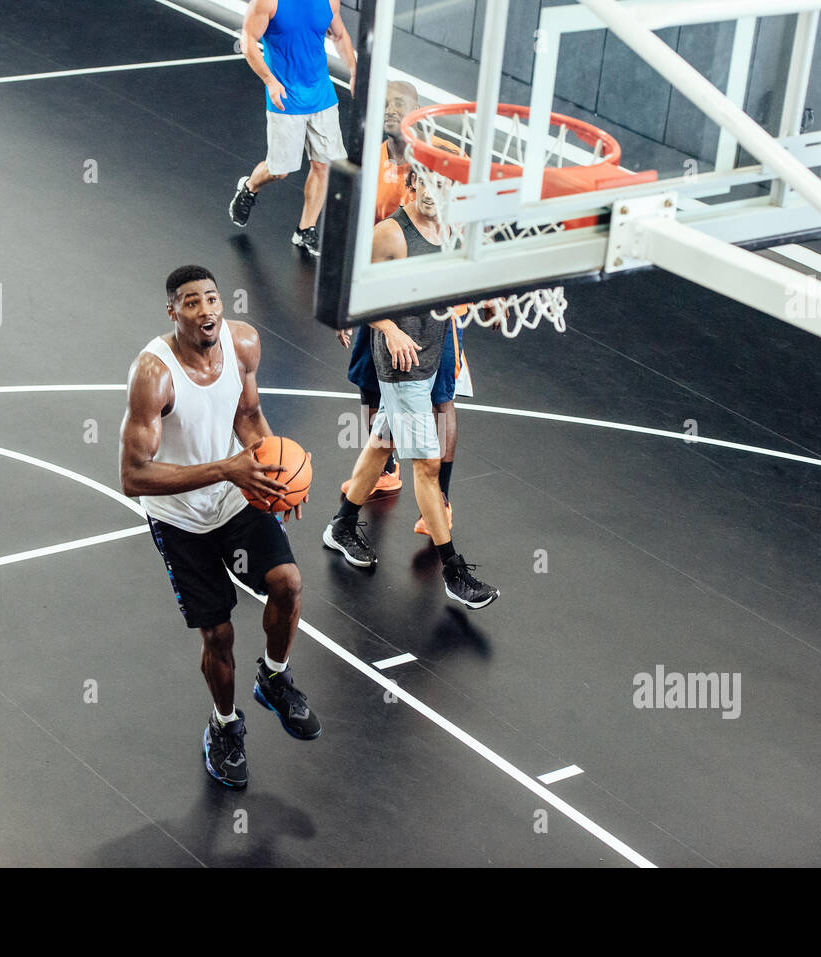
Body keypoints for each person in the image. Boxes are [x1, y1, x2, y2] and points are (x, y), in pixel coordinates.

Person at [120, 265, 318, 790]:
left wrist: (276, 477)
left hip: (236, 497)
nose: (205, 309)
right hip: (180, 519)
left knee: (288, 583)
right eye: (191, 302)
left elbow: (249, 417)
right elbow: (132, 476)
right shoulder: (152, 374)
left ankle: (274, 678)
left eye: (211, 298)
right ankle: (225, 726)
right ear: (172, 312)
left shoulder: (244, 344)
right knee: (220, 634)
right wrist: (223, 468)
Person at [324, 171, 499, 609]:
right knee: (426, 467)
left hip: (430, 352)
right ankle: (454, 573)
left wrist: (488, 300)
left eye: (446, 188)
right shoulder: (392, 235)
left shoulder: (449, 230)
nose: (435, 196)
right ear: (413, 182)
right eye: (429, 185)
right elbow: (351, 291)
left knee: (381, 445)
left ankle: (341, 525)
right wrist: (387, 329)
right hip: (400, 364)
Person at [339, 80, 470, 524]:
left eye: (403, 104)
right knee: (370, 384)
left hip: (434, 305)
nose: (393, 110)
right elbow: (356, 233)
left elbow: (464, 213)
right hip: (383, 292)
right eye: (387, 104)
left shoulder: (439, 154)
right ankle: (383, 471)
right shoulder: (369, 162)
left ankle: (441, 498)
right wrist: (345, 300)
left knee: (441, 397)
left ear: (419, 111)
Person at [228, 0, 357, 258]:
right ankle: (249, 187)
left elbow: (340, 35)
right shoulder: (268, 2)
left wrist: (354, 70)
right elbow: (248, 41)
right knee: (280, 171)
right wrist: (269, 81)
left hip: (321, 94)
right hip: (284, 96)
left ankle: (305, 229)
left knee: (325, 166)